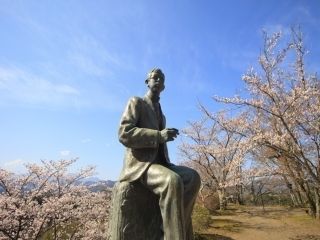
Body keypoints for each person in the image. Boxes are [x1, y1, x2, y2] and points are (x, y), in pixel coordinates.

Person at [118, 68, 201, 240]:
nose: (158, 80)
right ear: (147, 82)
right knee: (172, 180)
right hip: (141, 165)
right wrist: (158, 135)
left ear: (164, 85)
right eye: (154, 78)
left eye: (161, 79)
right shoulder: (136, 102)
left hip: (161, 163)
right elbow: (124, 133)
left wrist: (165, 138)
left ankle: (176, 231)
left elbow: (159, 141)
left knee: (193, 177)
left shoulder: (161, 114)